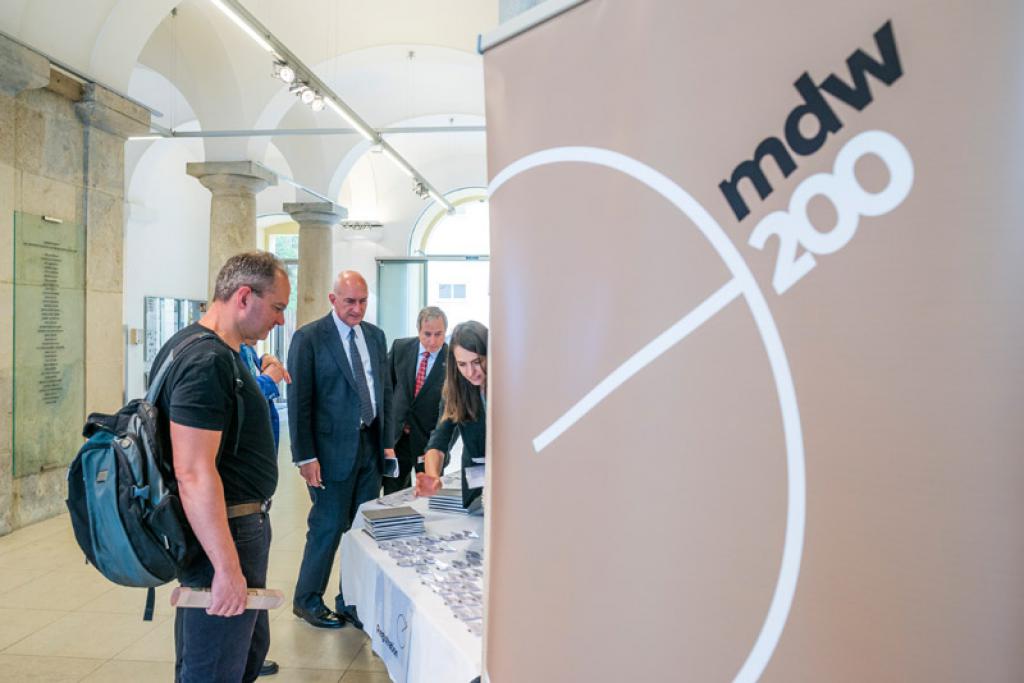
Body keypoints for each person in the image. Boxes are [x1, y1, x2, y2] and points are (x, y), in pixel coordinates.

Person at [151, 251, 289, 683]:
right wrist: (227, 569)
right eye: (277, 307)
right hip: (223, 533)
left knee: (240, 656)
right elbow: (193, 472)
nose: (281, 320)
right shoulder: (206, 360)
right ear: (244, 297)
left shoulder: (212, 350)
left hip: (234, 528)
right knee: (213, 667)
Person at [288, 270, 396, 629]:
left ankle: (349, 599)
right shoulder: (309, 338)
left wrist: (387, 445)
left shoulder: (375, 336)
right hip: (329, 451)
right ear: (333, 299)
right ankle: (307, 600)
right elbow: (299, 402)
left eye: (363, 301)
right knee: (328, 525)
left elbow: (384, 392)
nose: (357, 309)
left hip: (369, 447)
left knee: (361, 529)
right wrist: (305, 456)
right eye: (350, 301)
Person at [238, 341, 290, 678]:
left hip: (256, 495)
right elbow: (240, 403)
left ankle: (252, 657)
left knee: (255, 580)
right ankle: (244, 660)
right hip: (239, 498)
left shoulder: (245, 351)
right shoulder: (216, 354)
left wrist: (264, 363)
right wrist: (269, 379)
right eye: (273, 315)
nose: (278, 321)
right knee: (242, 584)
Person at [415, 321, 488, 507]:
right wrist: (433, 476)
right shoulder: (455, 391)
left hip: (511, 477)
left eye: (477, 362)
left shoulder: (511, 384)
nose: (470, 372)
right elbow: (438, 442)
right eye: (462, 364)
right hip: (475, 481)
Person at [383, 306, 448, 494]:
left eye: (438, 334)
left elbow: (453, 411)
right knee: (393, 494)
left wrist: (442, 447)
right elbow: (387, 389)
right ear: (418, 330)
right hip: (398, 438)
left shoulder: (452, 360)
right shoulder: (400, 348)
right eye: (427, 334)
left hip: (428, 443)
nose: (433, 341)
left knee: (427, 495)